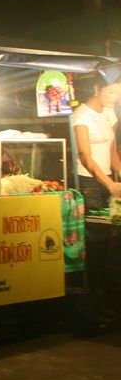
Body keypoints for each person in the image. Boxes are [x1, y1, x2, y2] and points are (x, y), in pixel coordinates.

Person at [72, 73, 121, 320]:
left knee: (112, 235)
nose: (115, 97)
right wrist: (108, 183)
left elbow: (111, 150)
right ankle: (94, 300)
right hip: (90, 183)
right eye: (111, 92)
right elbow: (85, 157)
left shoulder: (109, 113)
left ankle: (108, 295)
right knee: (97, 239)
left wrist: (119, 176)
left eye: (118, 93)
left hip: (108, 180)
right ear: (96, 88)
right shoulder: (81, 116)